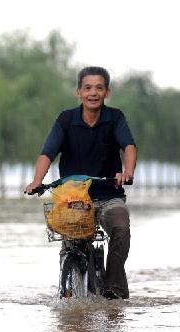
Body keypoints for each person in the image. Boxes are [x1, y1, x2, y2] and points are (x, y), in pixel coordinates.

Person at [25, 66, 138, 299]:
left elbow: (129, 146)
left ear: (107, 92)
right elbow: (48, 152)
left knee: (121, 228)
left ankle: (113, 287)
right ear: (79, 92)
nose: (93, 93)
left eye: (99, 87)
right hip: (74, 198)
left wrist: (127, 171)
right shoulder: (66, 119)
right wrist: (37, 180)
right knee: (70, 241)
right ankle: (67, 286)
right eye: (87, 88)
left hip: (109, 196)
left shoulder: (115, 117)